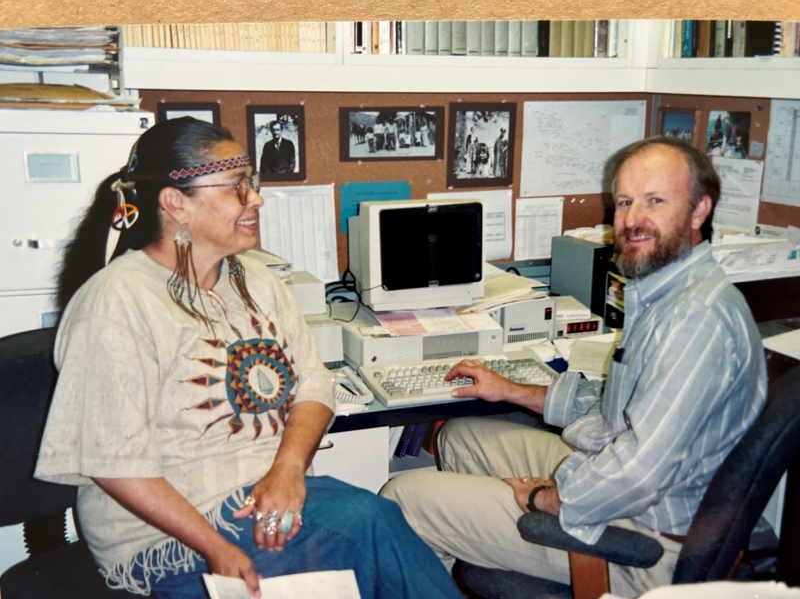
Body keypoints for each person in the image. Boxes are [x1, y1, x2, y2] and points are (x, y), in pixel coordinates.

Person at [34, 118, 463, 599]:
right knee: (368, 526)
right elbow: (113, 464)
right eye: (237, 187)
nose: (255, 199)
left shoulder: (258, 282)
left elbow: (315, 386)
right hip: (167, 534)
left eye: (252, 184)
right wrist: (214, 546)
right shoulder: (117, 302)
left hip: (272, 498)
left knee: (370, 525)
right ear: (176, 203)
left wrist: (287, 471)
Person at [381, 136, 767, 598]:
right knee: (460, 437)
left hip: (650, 543)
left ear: (699, 210)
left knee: (406, 498)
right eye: (624, 202)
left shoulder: (696, 320)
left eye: (655, 201)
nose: (632, 219)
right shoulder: (668, 292)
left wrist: (541, 497)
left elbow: (636, 473)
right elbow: (619, 411)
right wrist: (512, 391)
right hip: (632, 492)